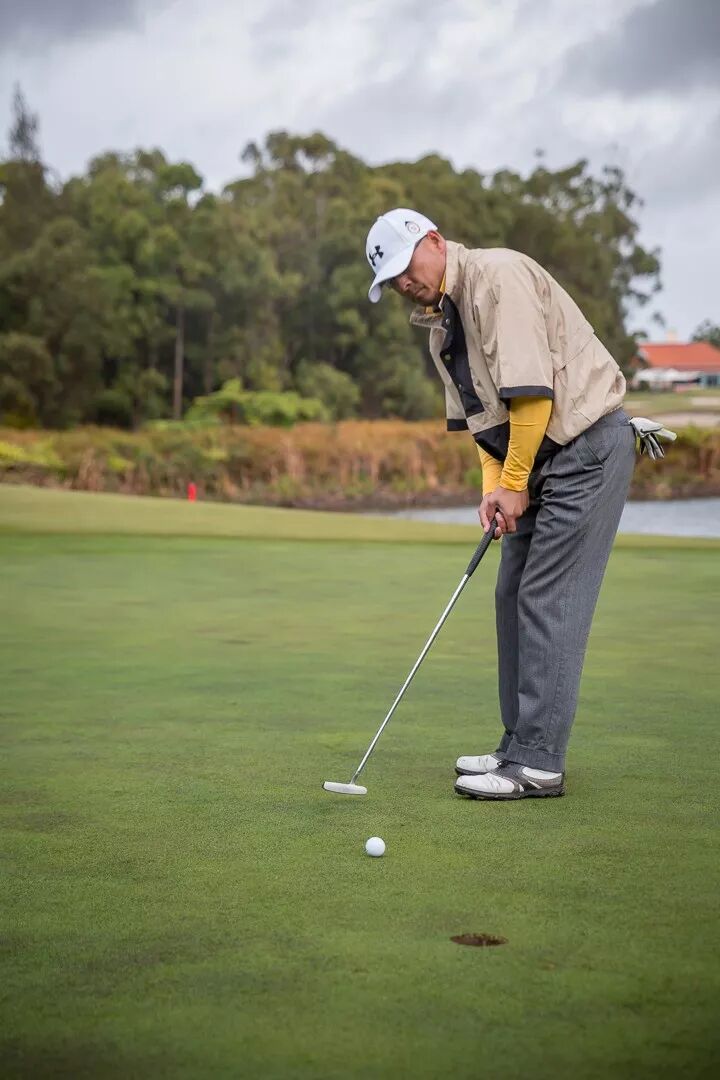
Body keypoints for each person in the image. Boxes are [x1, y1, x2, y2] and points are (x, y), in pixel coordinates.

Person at [364, 207, 673, 801]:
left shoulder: (496, 277)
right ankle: (516, 744)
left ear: (433, 240)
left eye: (406, 266)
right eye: (392, 280)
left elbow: (532, 397)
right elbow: (488, 424)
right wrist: (495, 488)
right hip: (537, 458)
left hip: (585, 449)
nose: (404, 282)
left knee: (546, 597)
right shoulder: (441, 326)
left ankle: (539, 762)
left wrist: (514, 482)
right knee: (511, 593)